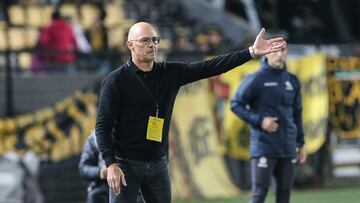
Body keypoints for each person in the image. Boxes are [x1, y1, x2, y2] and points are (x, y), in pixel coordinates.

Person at [95, 21, 286, 203]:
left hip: (157, 163)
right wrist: (111, 163)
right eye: (145, 40)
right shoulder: (115, 81)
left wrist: (251, 52)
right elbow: (103, 126)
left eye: (155, 40)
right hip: (126, 164)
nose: (152, 44)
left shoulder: (170, 72)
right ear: (130, 44)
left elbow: (211, 66)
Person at [230, 45, 307, 203]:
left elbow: (297, 113)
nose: (279, 54)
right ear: (267, 52)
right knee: (259, 194)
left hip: (288, 147)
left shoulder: (292, 80)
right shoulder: (255, 79)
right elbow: (235, 104)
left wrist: (301, 143)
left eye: (283, 50)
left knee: (284, 194)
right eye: (275, 50)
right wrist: (261, 121)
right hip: (264, 146)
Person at [79, 131, 145, 203]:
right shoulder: (94, 138)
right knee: (95, 195)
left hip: (129, 183)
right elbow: (83, 168)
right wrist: (101, 172)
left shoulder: (132, 132)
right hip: (103, 186)